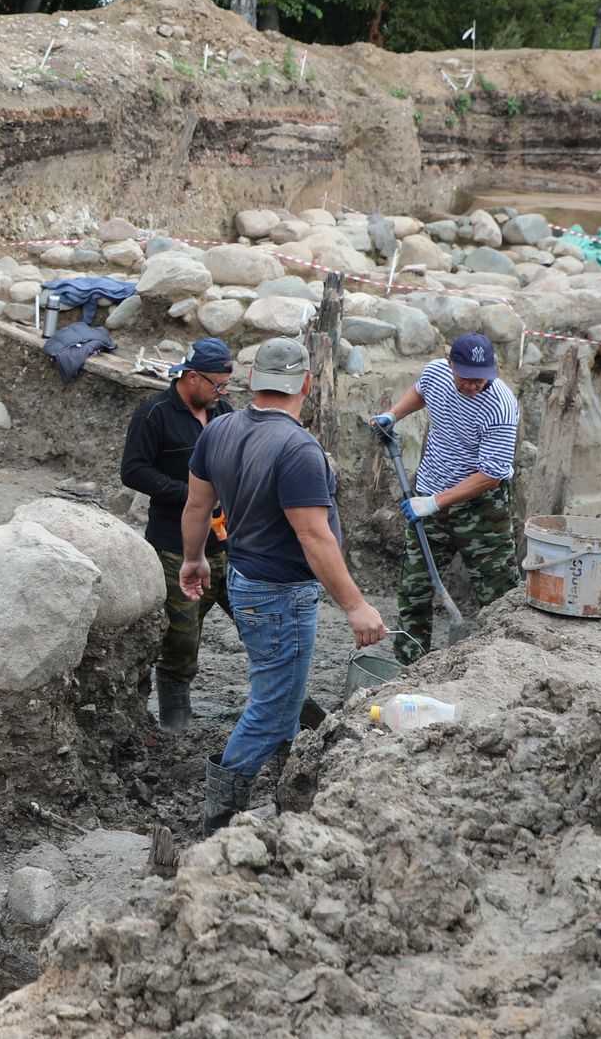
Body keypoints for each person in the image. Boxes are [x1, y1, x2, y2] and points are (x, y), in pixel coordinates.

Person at [181, 338, 386, 832]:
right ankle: (220, 817)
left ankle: (294, 783)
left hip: (246, 579)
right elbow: (314, 536)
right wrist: (356, 606)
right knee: (272, 709)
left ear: (253, 381)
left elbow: (196, 507)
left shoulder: (221, 429)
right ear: (308, 385)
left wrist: (194, 559)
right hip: (281, 594)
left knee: (277, 688)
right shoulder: (298, 448)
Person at [369, 333, 521, 665]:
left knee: (499, 590)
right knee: (414, 588)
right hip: (429, 494)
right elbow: (422, 391)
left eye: (481, 379)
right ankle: (409, 663)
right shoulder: (436, 372)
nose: (473, 385)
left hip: (482, 508)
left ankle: (505, 662)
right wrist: (393, 415)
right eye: (465, 377)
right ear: (450, 363)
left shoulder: (501, 406)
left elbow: (491, 474)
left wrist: (437, 501)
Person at [119, 337, 235, 733]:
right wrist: (190, 496)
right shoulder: (154, 414)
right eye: (216, 385)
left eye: (226, 385)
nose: (223, 393)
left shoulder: (223, 411)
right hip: (174, 544)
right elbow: (133, 471)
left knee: (257, 618)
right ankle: (174, 714)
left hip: (228, 543)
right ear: (190, 376)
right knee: (182, 634)